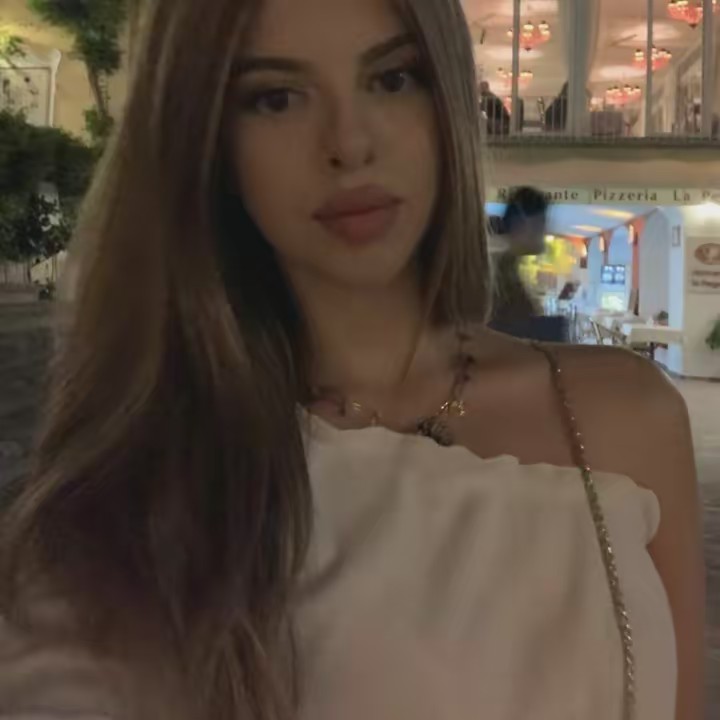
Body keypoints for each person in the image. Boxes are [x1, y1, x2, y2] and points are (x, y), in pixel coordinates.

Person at [0, 1, 705, 720]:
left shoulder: (625, 414)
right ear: (206, 137)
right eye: (276, 98)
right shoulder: (138, 487)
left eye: (392, 78)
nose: (349, 144)